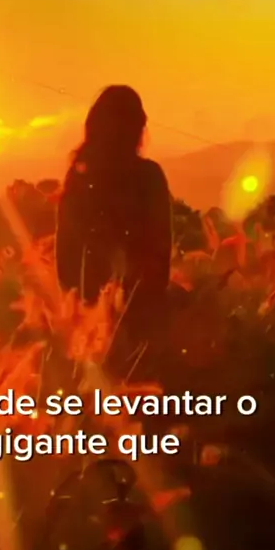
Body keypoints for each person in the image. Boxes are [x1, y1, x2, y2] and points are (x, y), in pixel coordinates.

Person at [56, 86, 172, 363]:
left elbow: (65, 263)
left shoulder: (78, 179)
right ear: (137, 128)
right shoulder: (149, 177)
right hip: (142, 329)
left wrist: (87, 307)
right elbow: (160, 258)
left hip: (83, 333)